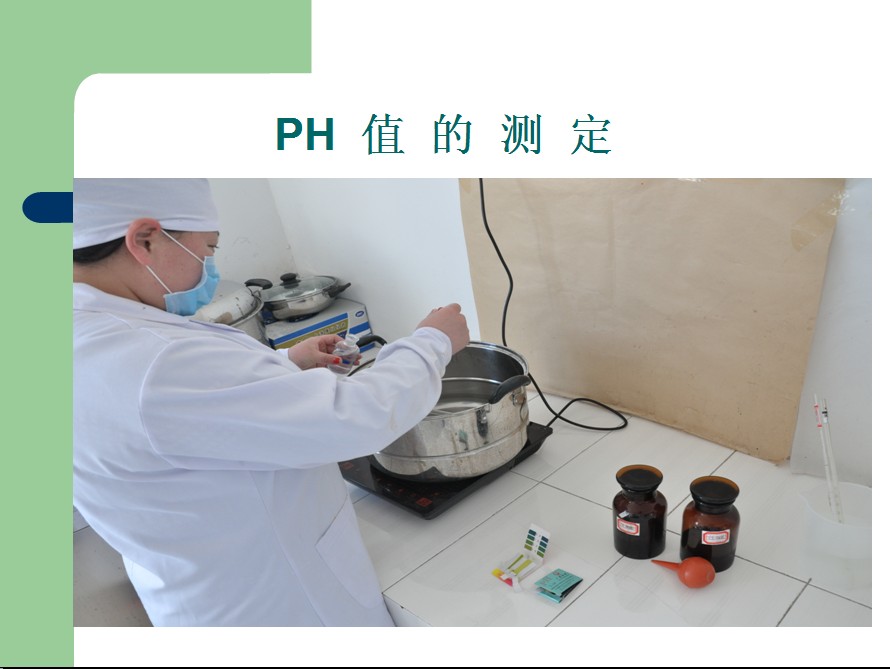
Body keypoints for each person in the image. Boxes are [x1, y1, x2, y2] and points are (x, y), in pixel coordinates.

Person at [73, 178, 469, 626]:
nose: (210, 271)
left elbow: (189, 414)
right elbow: (355, 418)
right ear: (145, 240)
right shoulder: (154, 360)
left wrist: (285, 366)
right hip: (278, 602)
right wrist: (432, 342)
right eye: (207, 250)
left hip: (198, 590)